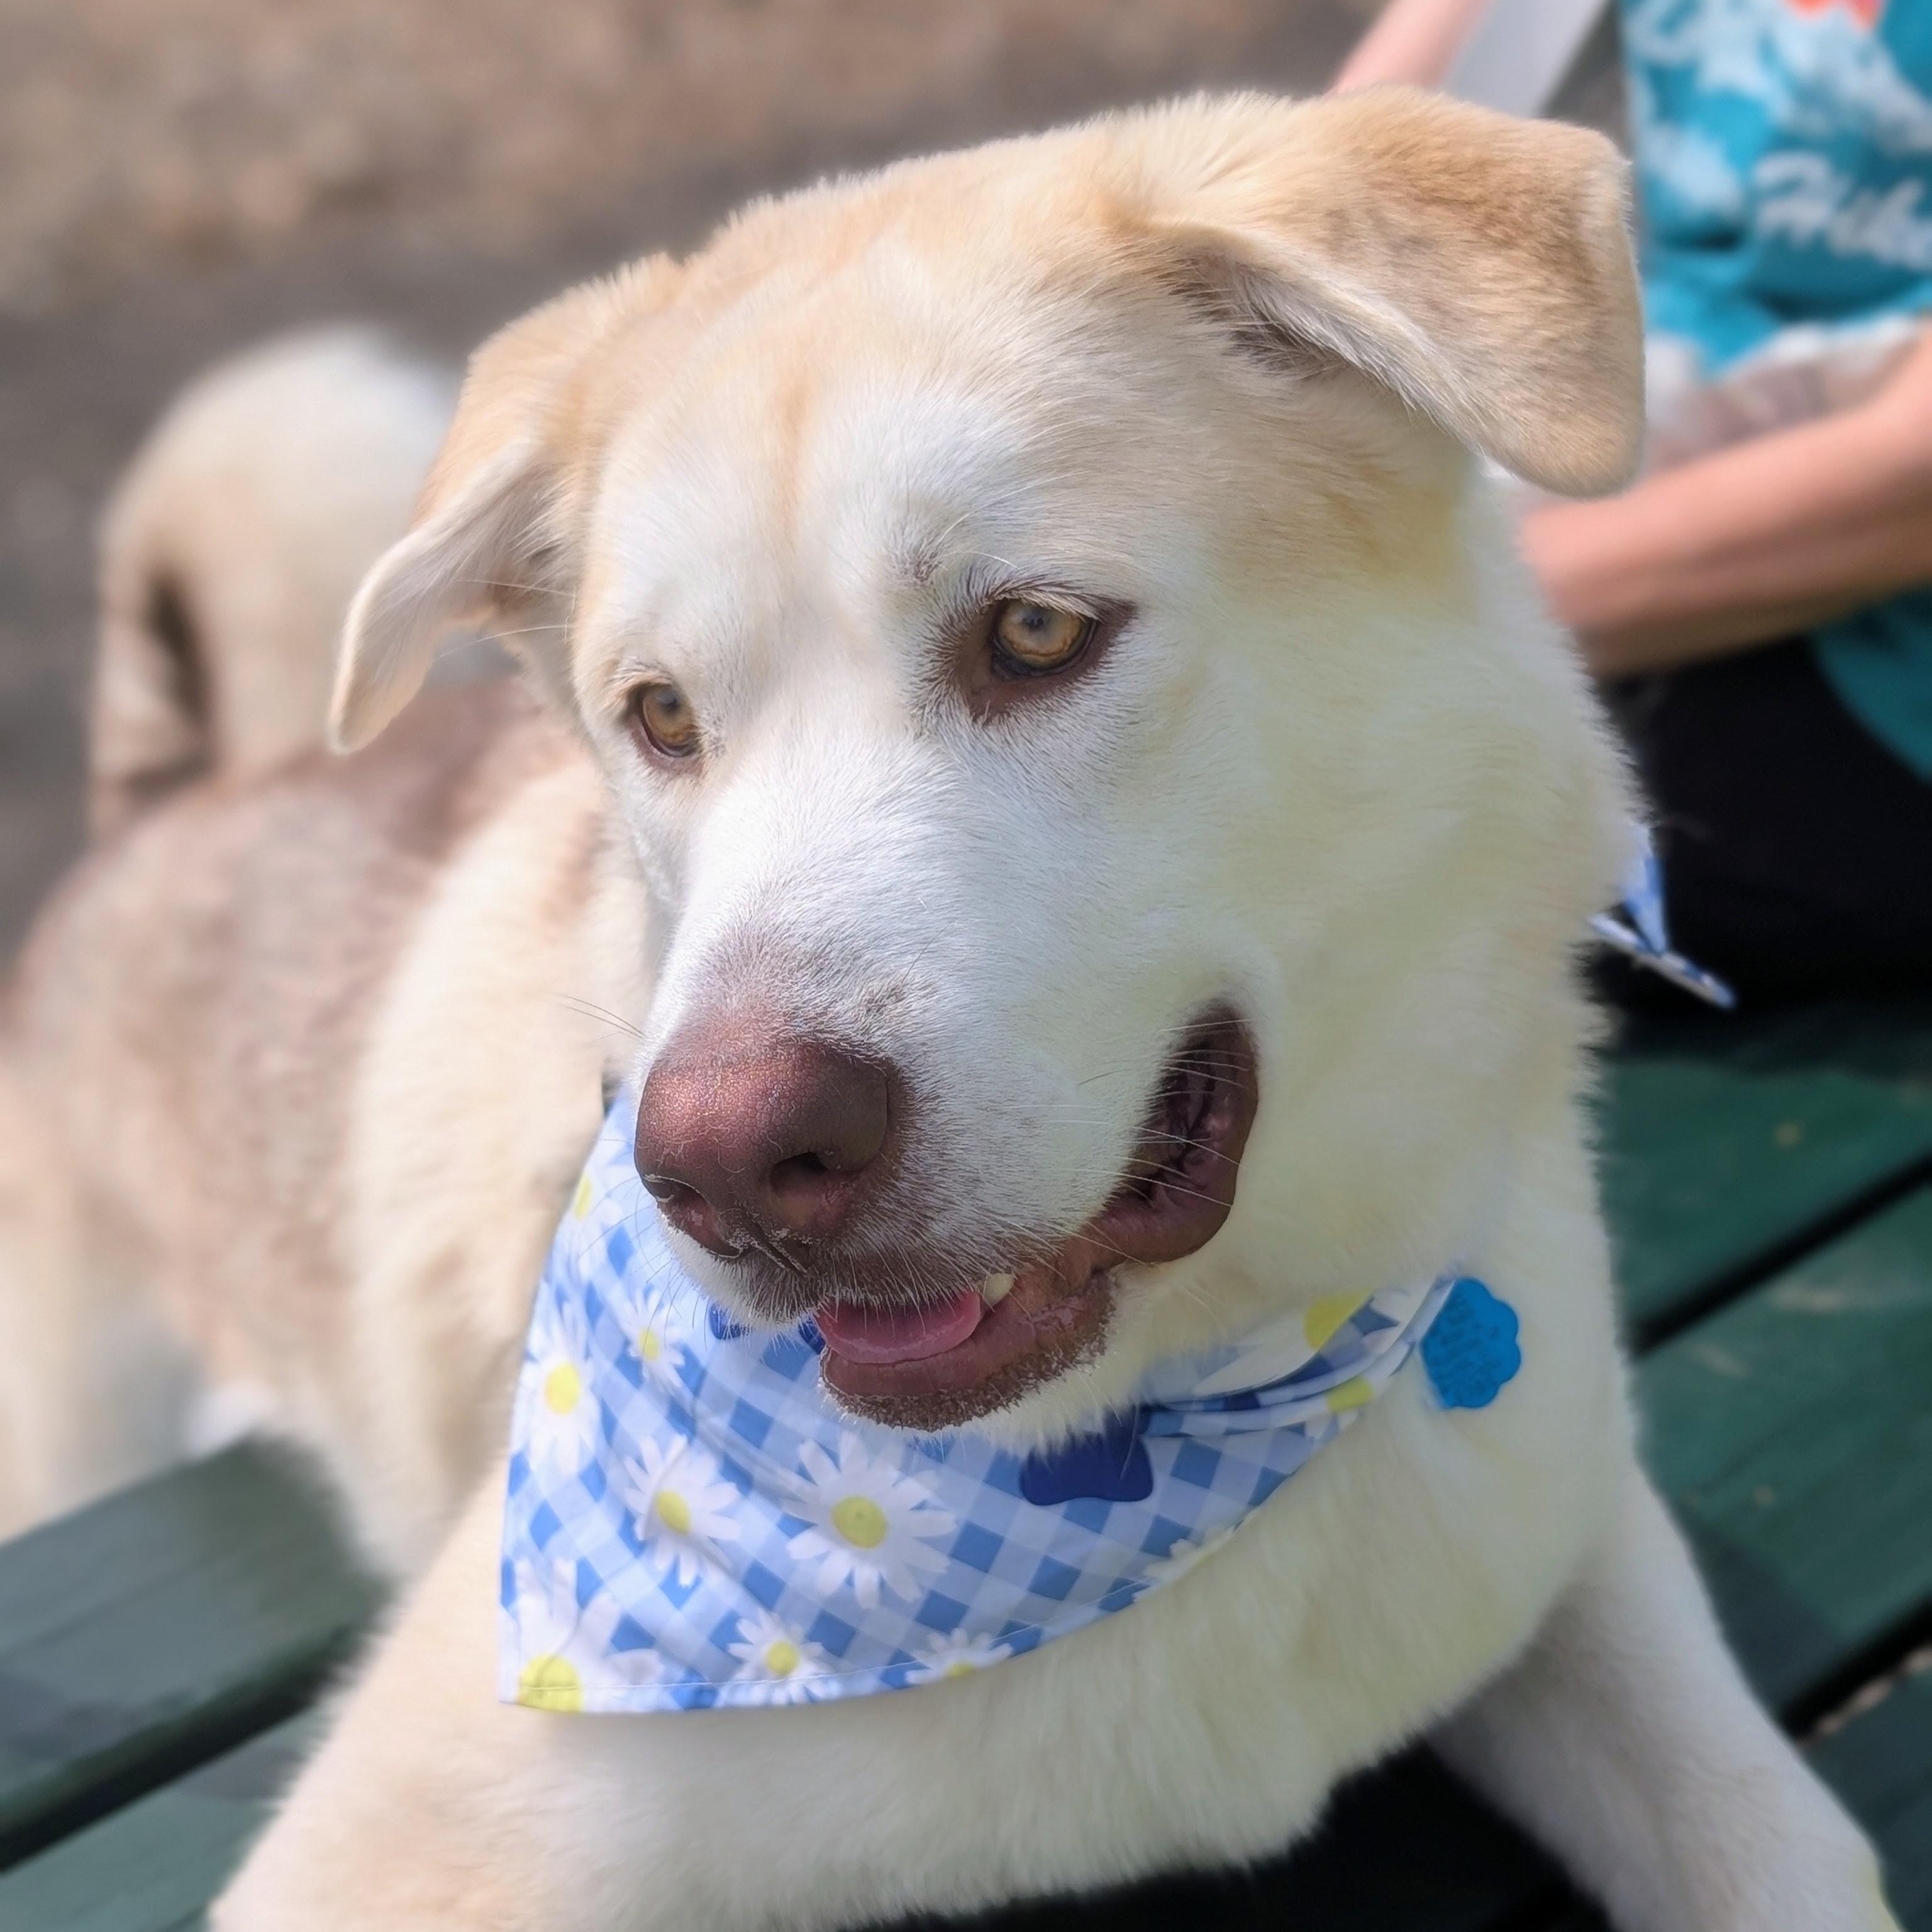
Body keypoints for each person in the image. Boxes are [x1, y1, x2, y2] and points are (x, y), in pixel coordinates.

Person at [1338, 0, 1932, 1002]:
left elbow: (1906, 488)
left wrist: (1390, 627)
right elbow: (1332, 187)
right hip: (1632, 502)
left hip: (1877, 686)